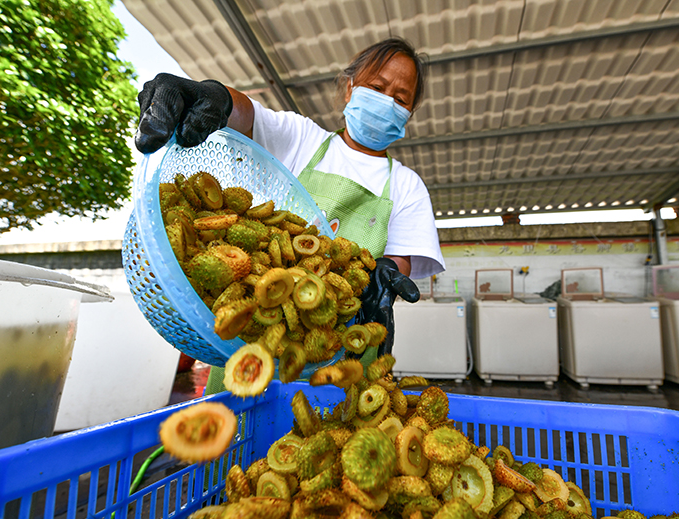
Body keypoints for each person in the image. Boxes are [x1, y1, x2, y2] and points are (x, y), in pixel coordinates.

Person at [135, 37, 446, 388]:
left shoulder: (407, 185)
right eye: (377, 87)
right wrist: (215, 97)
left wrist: (385, 276)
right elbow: (246, 114)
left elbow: (398, 262)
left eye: (400, 98)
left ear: (409, 114)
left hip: (345, 350)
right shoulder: (303, 138)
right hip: (254, 340)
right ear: (350, 89)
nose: (387, 101)